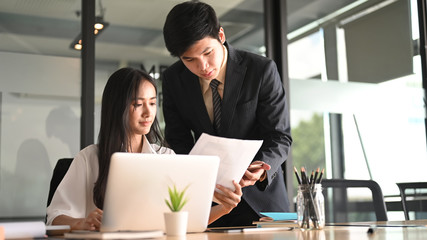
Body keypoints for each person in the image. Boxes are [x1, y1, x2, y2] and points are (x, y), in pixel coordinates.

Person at [46, 67, 242, 230]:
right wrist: (81, 222)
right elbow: (54, 219)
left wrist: (224, 208)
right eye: (138, 104)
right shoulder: (90, 158)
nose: (149, 112)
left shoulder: (166, 157)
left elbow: (184, 222)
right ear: (117, 107)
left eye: (153, 103)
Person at [162, 1, 293, 227]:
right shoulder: (174, 80)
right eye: (189, 59)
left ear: (221, 35)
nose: (202, 66)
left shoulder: (261, 70)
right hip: (208, 203)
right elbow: (178, 141)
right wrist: (201, 182)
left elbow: (280, 136)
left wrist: (260, 168)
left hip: (262, 204)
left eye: (207, 52)